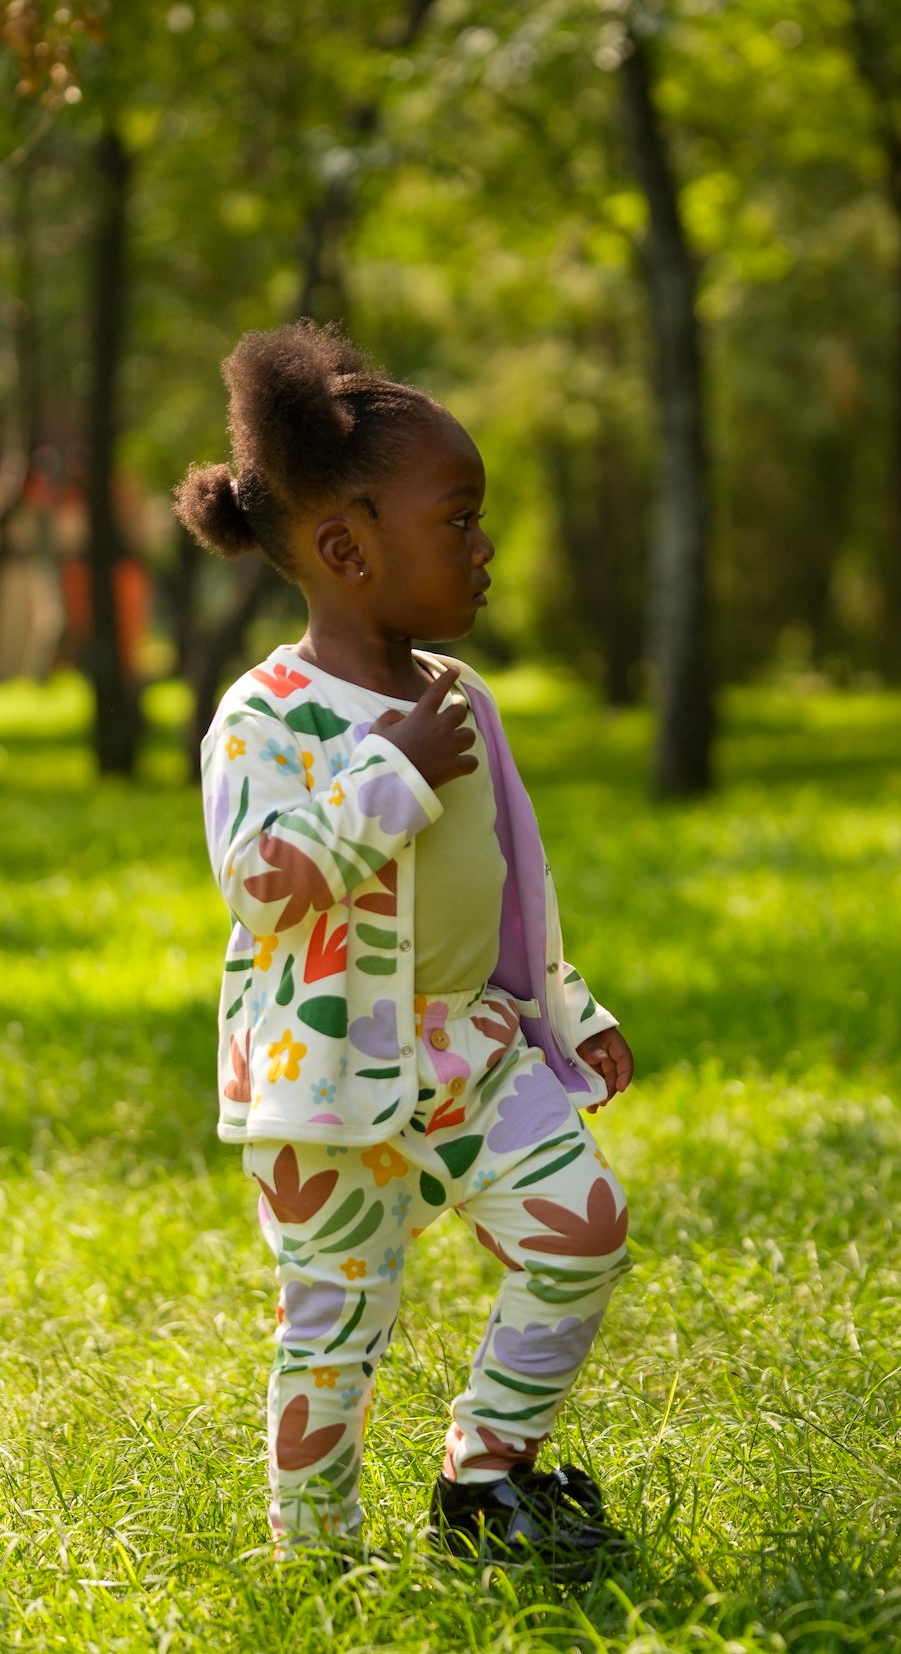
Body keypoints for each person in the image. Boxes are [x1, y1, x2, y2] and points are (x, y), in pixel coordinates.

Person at [174, 321, 635, 1574]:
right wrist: (393, 777)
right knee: (332, 1328)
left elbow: (509, 891)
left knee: (581, 1228)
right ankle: (315, 1553)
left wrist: (568, 1007)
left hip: (469, 1050)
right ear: (345, 548)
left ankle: (485, 1478)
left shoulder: (460, 697)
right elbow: (262, 886)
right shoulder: (264, 717)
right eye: (459, 520)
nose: (483, 549)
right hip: (327, 1091)